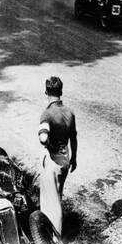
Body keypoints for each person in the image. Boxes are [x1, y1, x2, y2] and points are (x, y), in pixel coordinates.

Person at [38, 76, 78, 234]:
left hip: (53, 162)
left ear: (46, 92)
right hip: (66, 159)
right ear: (60, 91)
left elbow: (43, 137)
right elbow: (74, 137)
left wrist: (48, 144)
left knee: (51, 204)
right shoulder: (69, 112)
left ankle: (55, 241)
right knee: (57, 197)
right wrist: (74, 158)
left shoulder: (47, 114)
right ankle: (51, 235)